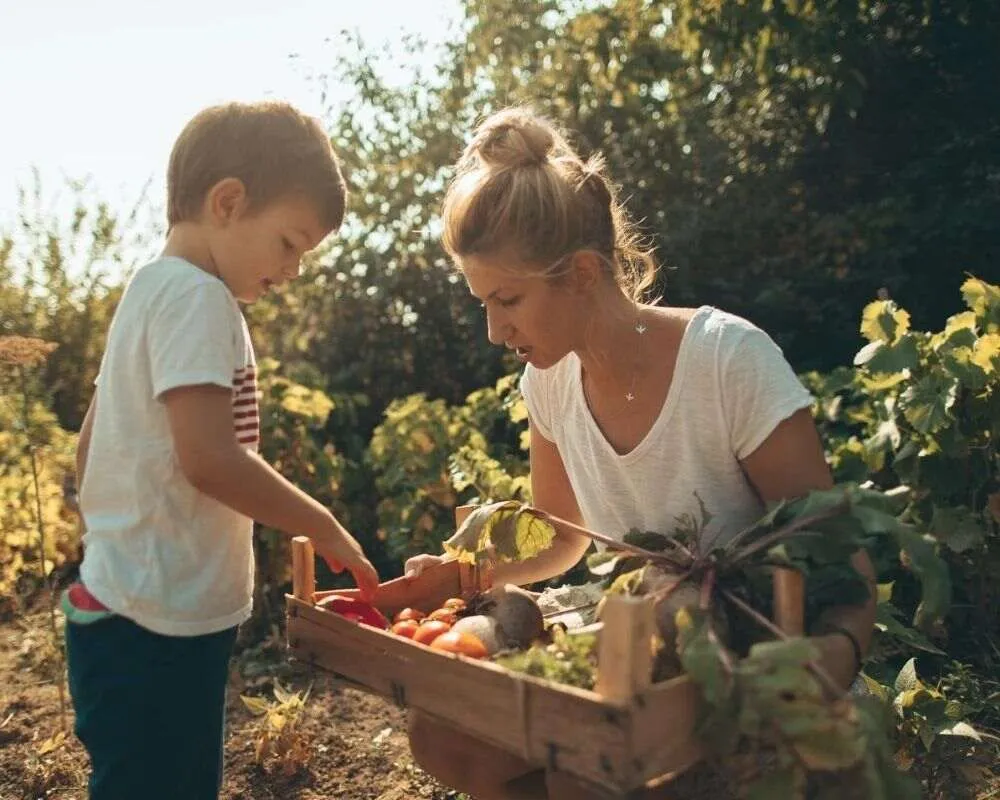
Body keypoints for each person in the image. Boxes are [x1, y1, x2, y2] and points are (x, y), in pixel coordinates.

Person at [402, 106, 877, 800]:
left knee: (582, 769)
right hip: (645, 653)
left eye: (506, 300)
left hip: (755, 671)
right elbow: (561, 539)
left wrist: (831, 662)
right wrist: (462, 574)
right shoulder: (549, 383)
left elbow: (843, 564)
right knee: (441, 736)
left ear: (584, 272)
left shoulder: (726, 362)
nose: (493, 330)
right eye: (483, 302)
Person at [65, 100, 380, 800]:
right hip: (156, 625)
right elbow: (207, 457)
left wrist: (120, 542)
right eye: (290, 243)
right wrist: (318, 522)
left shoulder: (148, 289)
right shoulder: (200, 301)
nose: (294, 270)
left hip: (122, 606)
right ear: (229, 202)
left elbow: (90, 446)